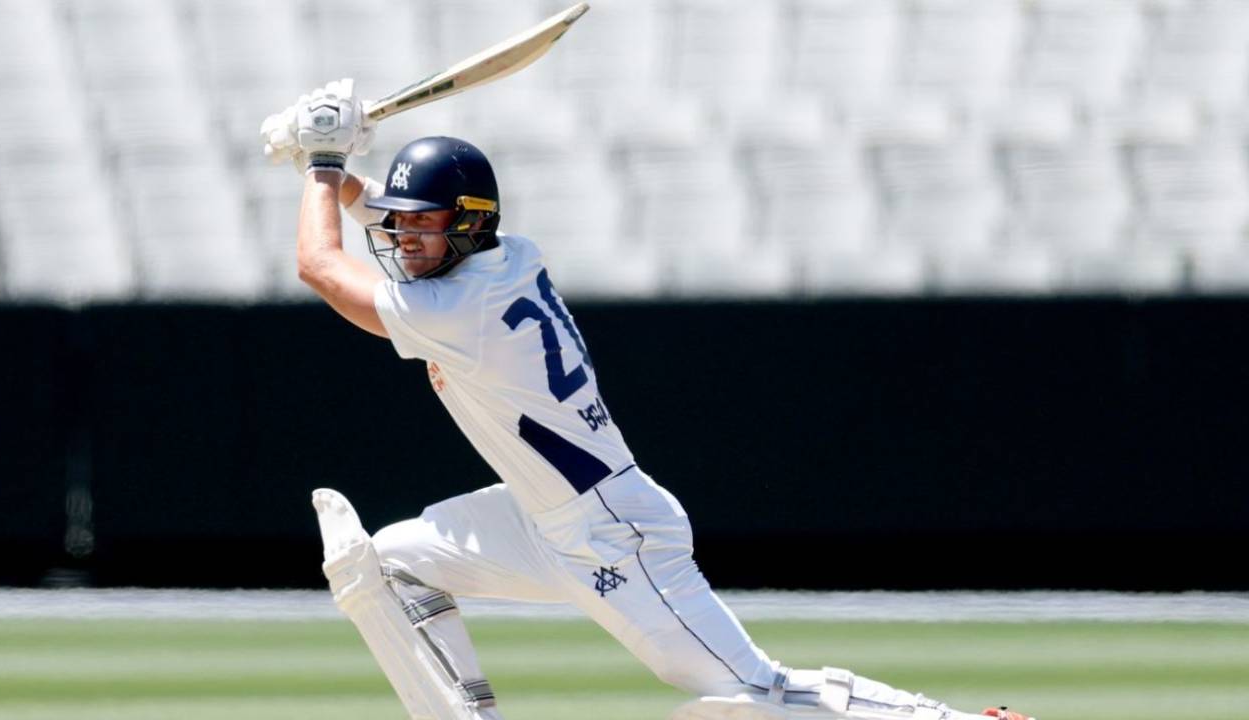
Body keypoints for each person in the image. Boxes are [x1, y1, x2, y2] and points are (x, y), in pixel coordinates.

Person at [260, 80, 1034, 720]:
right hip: (539, 517)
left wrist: (323, 161)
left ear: (467, 225)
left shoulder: (460, 308)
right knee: (388, 567)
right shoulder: (505, 257)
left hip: (611, 531)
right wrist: (327, 170)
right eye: (402, 224)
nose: (404, 239)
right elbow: (381, 215)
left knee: (750, 692)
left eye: (423, 224)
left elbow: (319, 266)